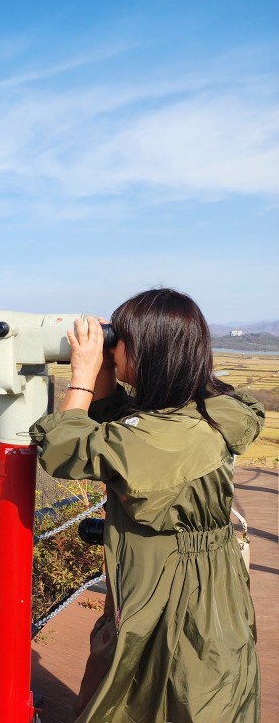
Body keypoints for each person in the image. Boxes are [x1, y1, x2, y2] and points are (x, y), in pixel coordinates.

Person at [29, 288, 264, 722]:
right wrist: (104, 367)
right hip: (203, 588)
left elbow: (62, 448)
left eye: (123, 343)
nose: (114, 349)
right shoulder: (202, 413)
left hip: (167, 595)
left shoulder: (159, 438)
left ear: (152, 354)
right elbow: (122, 422)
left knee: (162, 697)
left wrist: (81, 375)